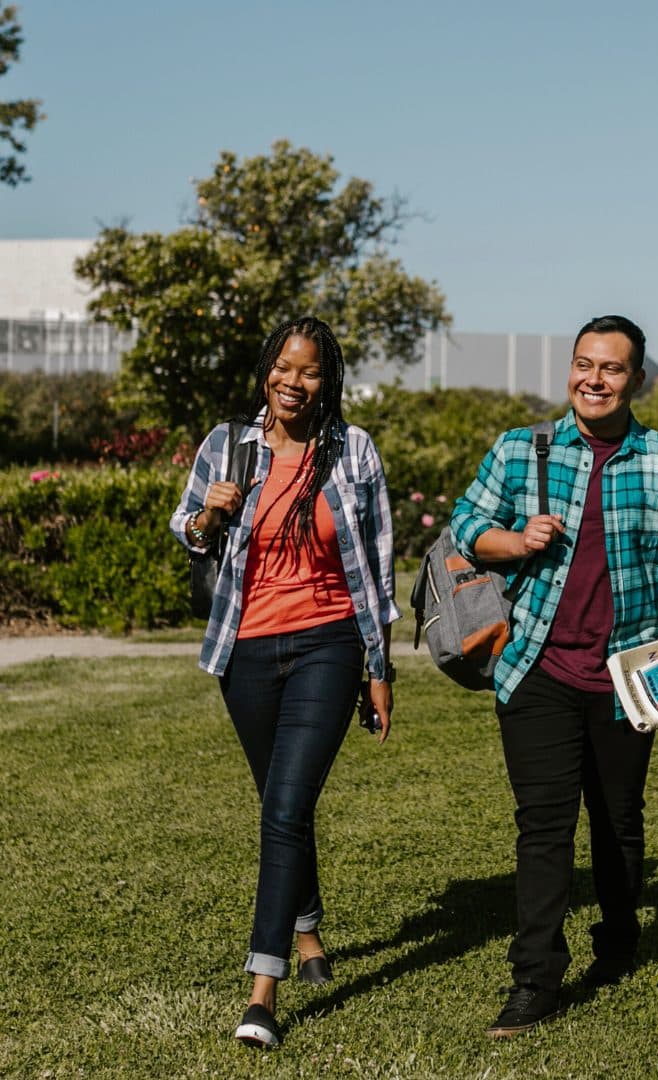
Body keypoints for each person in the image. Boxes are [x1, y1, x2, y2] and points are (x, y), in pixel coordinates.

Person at [451, 314, 658, 1037]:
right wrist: (515, 538)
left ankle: (620, 940)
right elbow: (467, 523)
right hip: (537, 666)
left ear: (638, 380)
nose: (594, 379)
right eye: (584, 364)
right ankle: (535, 978)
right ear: (570, 370)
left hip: (633, 675)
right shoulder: (519, 450)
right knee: (544, 826)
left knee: (619, 820)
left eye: (612, 368)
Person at [170, 316, 399, 1050]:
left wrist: (379, 665)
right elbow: (187, 529)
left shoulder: (352, 451)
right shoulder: (227, 444)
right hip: (247, 652)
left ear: (326, 380)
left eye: (307, 371)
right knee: (280, 806)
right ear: (266, 368)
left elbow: (380, 563)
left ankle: (261, 992)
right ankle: (308, 936)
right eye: (281, 366)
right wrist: (209, 512)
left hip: (328, 644)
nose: (291, 382)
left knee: (288, 803)